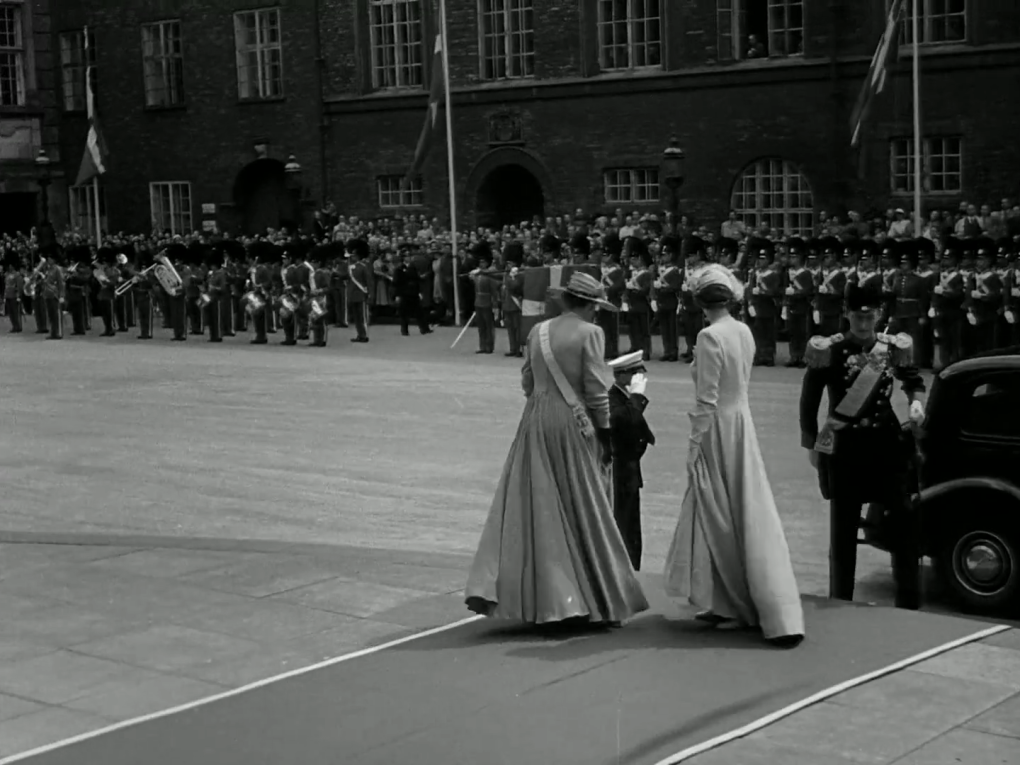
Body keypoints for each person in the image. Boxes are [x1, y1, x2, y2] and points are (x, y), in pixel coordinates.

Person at [465, 272, 649, 626]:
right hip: (572, 420)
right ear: (591, 306)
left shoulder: (539, 331)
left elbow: (527, 380)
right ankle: (594, 596)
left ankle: (545, 596)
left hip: (535, 419)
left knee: (539, 503)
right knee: (585, 503)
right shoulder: (590, 333)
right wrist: (604, 434)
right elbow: (596, 391)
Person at [664, 263, 805, 647]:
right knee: (737, 508)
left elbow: (707, 398)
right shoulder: (742, 330)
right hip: (741, 423)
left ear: (699, 303)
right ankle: (725, 598)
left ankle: (732, 601)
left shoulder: (709, 336)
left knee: (717, 510)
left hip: (718, 428)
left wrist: (694, 444)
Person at [799, 283, 926, 610]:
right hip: (847, 448)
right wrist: (811, 442)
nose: (864, 323)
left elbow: (913, 380)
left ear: (879, 315)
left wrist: (916, 403)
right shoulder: (830, 349)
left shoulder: (890, 347)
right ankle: (841, 600)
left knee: (903, 523)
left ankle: (909, 602)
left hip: (887, 446)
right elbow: (809, 399)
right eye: (858, 317)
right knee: (843, 530)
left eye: (870, 317)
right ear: (847, 314)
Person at [607, 351, 656, 571]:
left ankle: (631, 568)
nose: (641, 378)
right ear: (622, 375)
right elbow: (624, 421)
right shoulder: (613, 399)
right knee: (624, 526)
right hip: (620, 472)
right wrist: (636, 397)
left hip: (629, 471)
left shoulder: (623, 398)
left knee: (631, 527)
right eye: (636, 373)